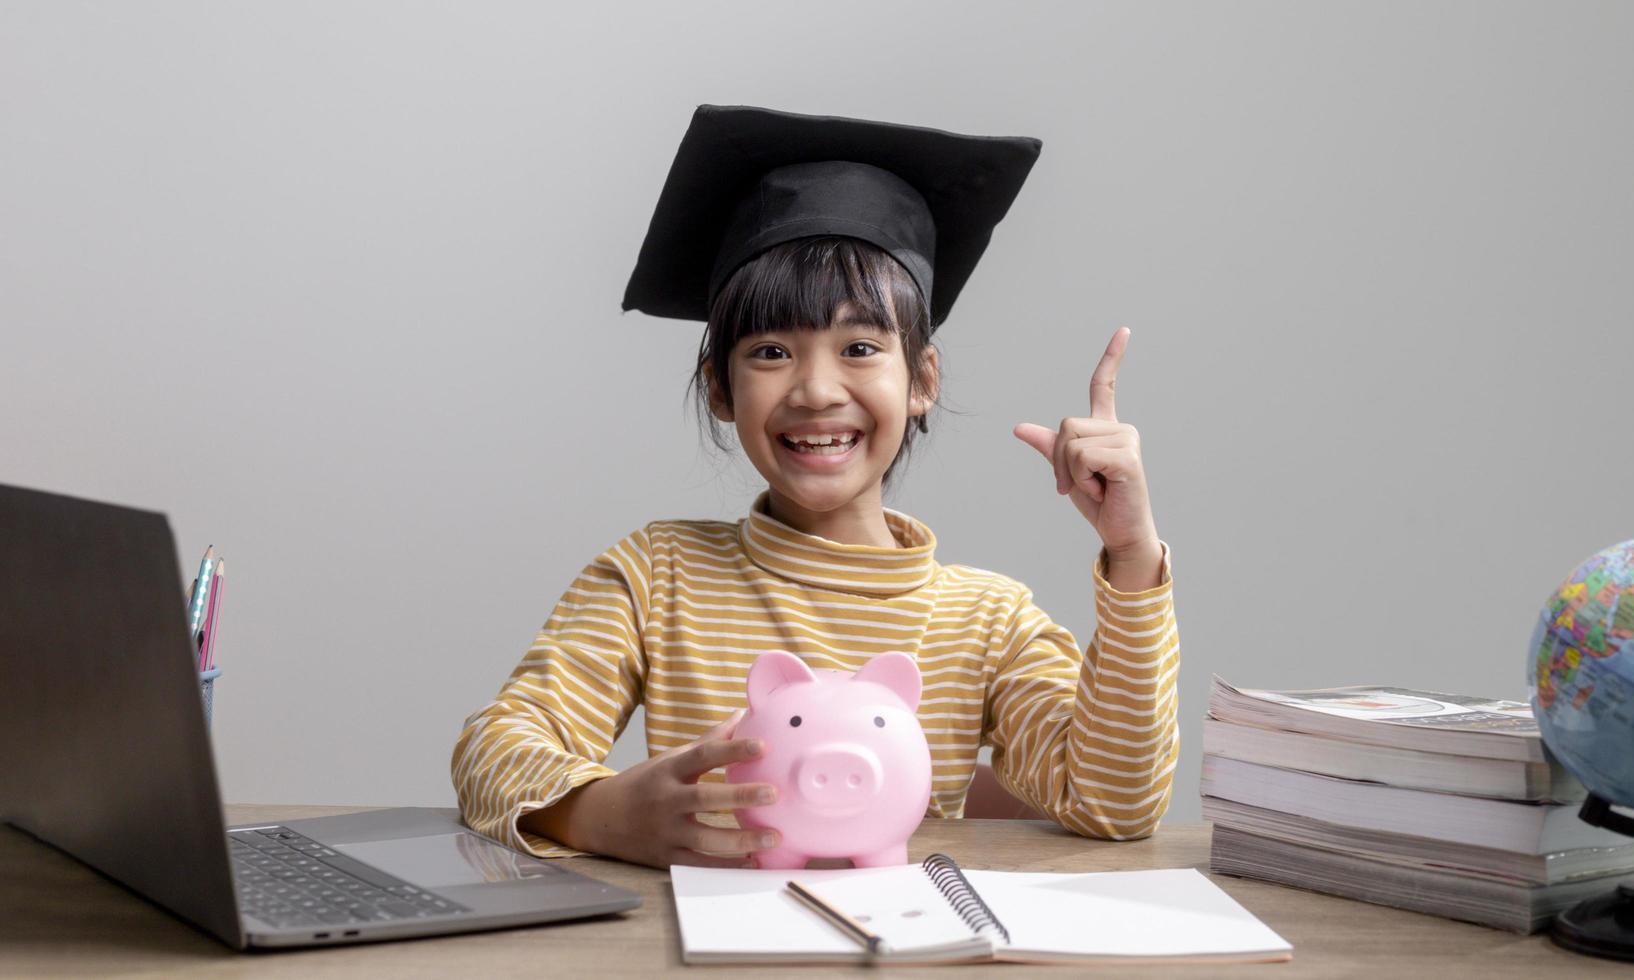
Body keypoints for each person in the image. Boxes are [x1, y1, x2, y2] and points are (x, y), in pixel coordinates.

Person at [451, 105, 1179, 869]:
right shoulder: (655, 576)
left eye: (860, 346)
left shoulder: (988, 621)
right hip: (704, 944)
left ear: (921, 379)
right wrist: (600, 814)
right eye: (770, 351)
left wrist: (1132, 554)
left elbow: (1112, 804)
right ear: (721, 389)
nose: (817, 389)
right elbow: (494, 749)